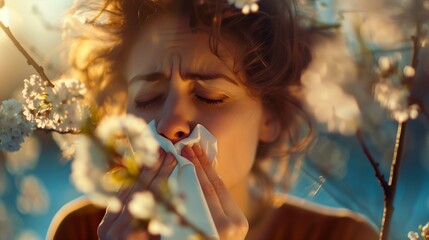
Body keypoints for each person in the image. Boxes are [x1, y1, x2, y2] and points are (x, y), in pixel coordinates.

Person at [48, 0, 379, 239]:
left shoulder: (341, 236)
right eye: (148, 98)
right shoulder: (81, 231)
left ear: (270, 116)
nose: (169, 124)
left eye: (209, 97)